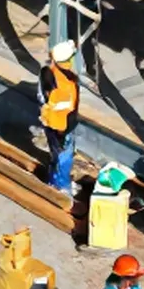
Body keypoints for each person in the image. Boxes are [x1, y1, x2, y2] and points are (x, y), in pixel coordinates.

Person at [38, 42, 79, 193]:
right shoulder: (64, 84)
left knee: (56, 155)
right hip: (61, 127)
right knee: (64, 158)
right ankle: (62, 187)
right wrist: (63, 130)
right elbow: (63, 108)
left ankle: (54, 179)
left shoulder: (49, 72)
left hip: (52, 124)